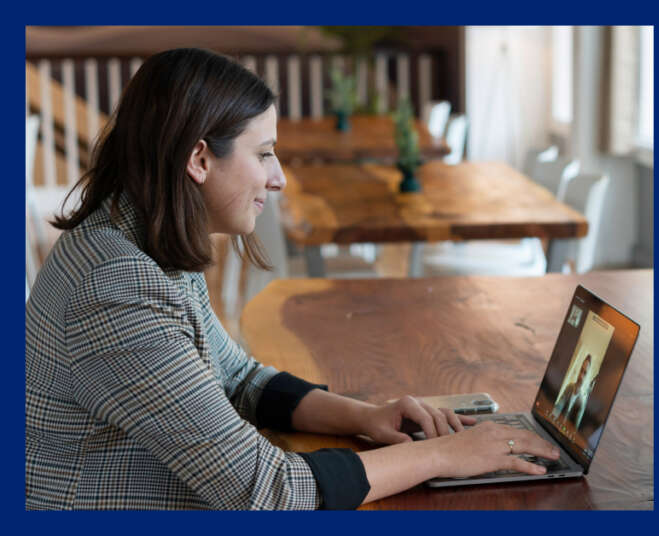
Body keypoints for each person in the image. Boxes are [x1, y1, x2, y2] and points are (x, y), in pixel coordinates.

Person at [24, 48, 559, 511]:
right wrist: (442, 455)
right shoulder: (115, 287)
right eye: (263, 154)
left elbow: (239, 378)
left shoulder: (138, 236)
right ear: (199, 159)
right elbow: (269, 492)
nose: (278, 178)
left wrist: (368, 417)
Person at [552, 354, 593, 429]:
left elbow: (575, 428)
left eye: (585, 373)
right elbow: (558, 407)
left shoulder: (581, 403)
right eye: (581, 370)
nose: (581, 376)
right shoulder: (569, 387)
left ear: (587, 377)